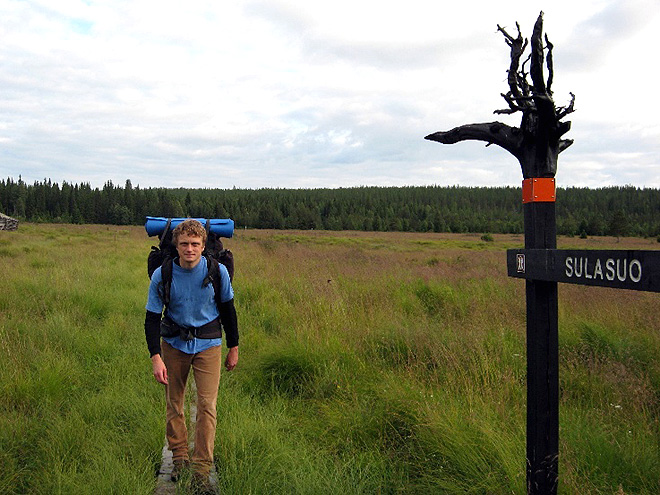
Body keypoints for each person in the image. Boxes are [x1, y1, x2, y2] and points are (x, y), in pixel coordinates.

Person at [145, 219, 238, 494]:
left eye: (195, 244)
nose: (189, 249)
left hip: (209, 343)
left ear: (202, 245)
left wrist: (233, 347)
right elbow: (151, 318)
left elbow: (229, 311)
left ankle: (201, 471)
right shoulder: (163, 274)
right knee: (175, 403)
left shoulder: (217, 271)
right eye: (184, 243)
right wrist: (155, 357)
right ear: (176, 244)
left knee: (207, 406)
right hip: (173, 344)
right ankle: (180, 460)